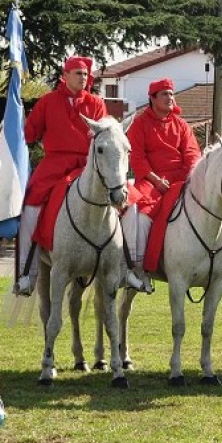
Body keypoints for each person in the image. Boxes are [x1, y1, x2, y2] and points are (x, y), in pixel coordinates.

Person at [13, 56, 146, 295]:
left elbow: (105, 135)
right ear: (65, 76)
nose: (83, 78)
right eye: (78, 74)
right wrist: (18, 117)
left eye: (85, 74)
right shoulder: (48, 102)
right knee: (31, 205)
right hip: (54, 165)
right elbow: (30, 135)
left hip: (88, 165)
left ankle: (128, 268)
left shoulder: (96, 103)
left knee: (131, 203)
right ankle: (26, 274)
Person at [121, 78, 200, 280]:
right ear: (152, 98)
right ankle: (138, 267)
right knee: (139, 213)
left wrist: (191, 175)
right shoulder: (139, 124)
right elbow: (136, 157)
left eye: (171, 94)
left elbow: (192, 154)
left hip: (180, 180)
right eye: (164, 94)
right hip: (149, 181)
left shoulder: (182, 125)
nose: (170, 98)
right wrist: (156, 180)